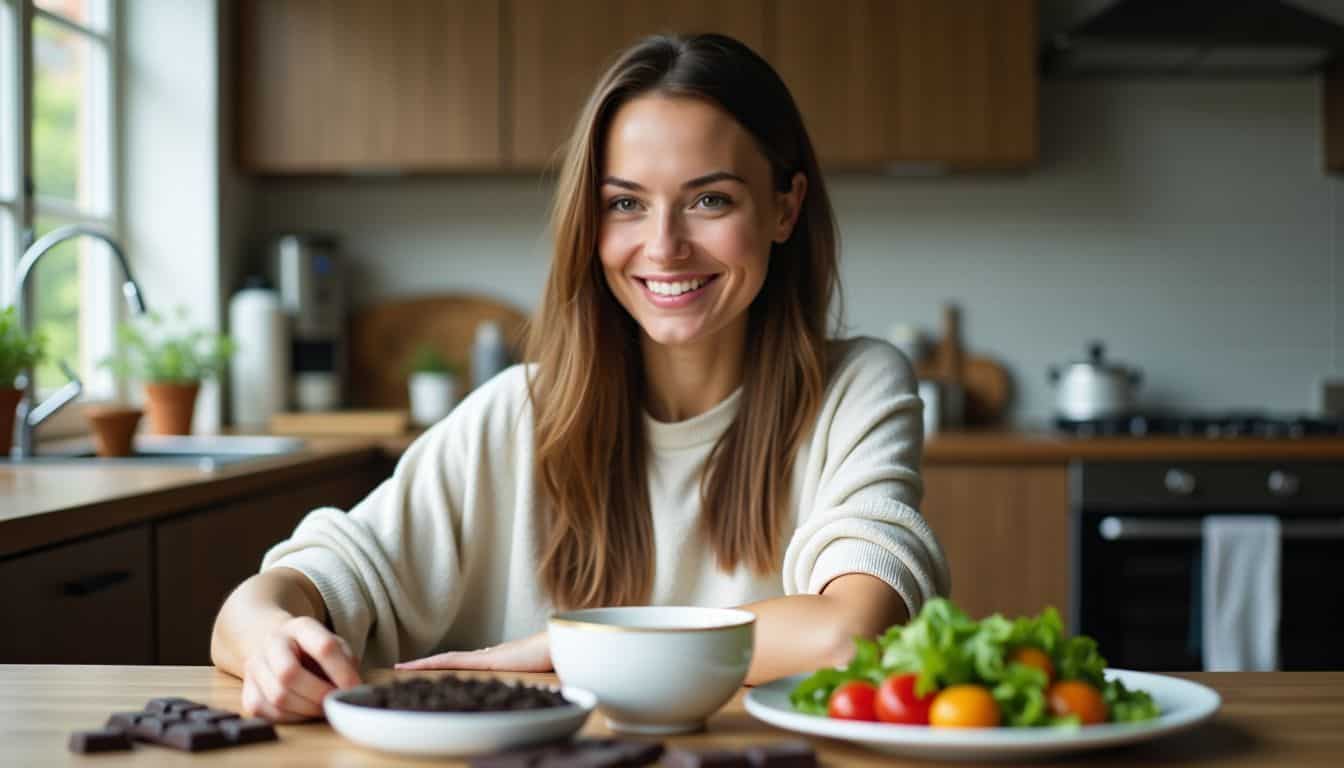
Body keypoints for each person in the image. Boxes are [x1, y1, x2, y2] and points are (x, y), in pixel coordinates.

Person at [211, 33, 950, 723]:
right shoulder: (516, 413)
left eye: (709, 200)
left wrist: (572, 647)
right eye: (625, 204)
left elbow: (848, 636)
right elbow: (262, 603)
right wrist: (273, 638)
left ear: (785, 207)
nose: (663, 247)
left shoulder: (854, 389)